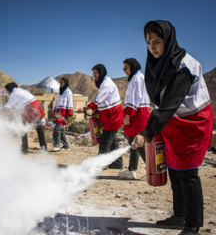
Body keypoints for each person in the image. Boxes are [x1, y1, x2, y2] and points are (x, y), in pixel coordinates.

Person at [132, 20, 214, 235]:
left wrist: (146, 133)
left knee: (187, 173)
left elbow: (170, 102)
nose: (152, 47)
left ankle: (193, 225)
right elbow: (162, 103)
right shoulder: (158, 63)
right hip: (173, 119)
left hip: (192, 121)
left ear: (168, 41)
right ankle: (180, 216)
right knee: (175, 169)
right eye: (148, 42)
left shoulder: (185, 65)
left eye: (157, 42)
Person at [77, 64, 124, 169]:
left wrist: (85, 108)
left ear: (102, 72)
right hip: (110, 117)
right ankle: (117, 163)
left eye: (96, 73)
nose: (95, 76)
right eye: (93, 74)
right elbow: (104, 103)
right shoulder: (104, 83)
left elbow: (98, 100)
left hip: (113, 117)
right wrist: (96, 111)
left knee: (105, 141)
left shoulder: (106, 84)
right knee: (112, 141)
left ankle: (101, 164)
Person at [118, 58, 150, 179]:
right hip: (137, 111)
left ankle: (152, 170)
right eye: (123, 68)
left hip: (138, 113)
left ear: (133, 66)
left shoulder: (137, 78)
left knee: (138, 142)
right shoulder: (135, 78)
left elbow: (135, 97)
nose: (124, 71)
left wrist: (128, 114)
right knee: (133, 140)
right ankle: (131, 169)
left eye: (126, 68)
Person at [0, 82, 47, 154]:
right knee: (39, 128)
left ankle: (24, 149)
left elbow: (8, 106)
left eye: (7, 90)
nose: (6, 92)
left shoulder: (13, 94)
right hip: (36, 104)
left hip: (29, 107)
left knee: (23, 128)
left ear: (9, 89)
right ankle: (43, 148)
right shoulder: (20, 90)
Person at [51, 77, 73, 151]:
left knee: (57, 129)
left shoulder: (68, 92)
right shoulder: (60, 93)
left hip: (64, 113)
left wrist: (69, 114)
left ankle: (56, 145)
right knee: (61, 130)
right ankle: (66, 146)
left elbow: (70, 102)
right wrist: (55, 112)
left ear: (65, 83)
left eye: (62, 82)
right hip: (58, 112)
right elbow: (57, 103)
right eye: (60, 82)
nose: (61, 84)